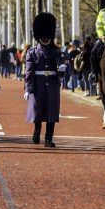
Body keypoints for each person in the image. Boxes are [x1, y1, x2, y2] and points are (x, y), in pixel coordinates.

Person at [24, 13, 62, 148]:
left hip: (52, 83)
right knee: (37, 110)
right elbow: (29, 72)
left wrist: (62, 70)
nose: (45, 39)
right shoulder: (32, 52)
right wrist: (28, 88)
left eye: (48, 37)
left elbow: (61, 68)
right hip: (38, 83)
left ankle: (48, 138)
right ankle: (37, 131)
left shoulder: (56, 51)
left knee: (51, 112)